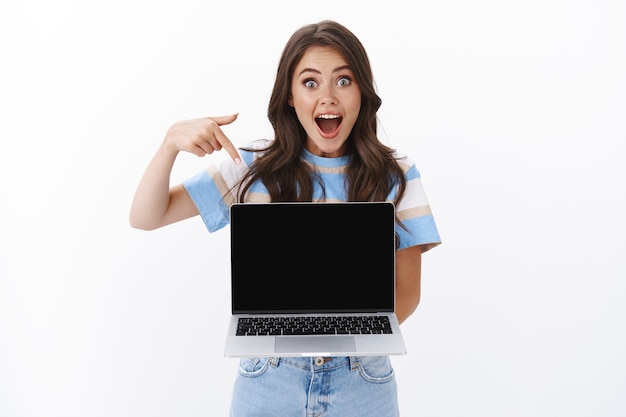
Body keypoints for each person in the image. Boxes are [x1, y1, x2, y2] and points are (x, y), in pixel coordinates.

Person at [130, 19, 441, 417]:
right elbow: (145, 217)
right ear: (290, 96)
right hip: (269, 380)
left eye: (343, 81)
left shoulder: (397, 173)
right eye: (310, 83)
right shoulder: (251, 166)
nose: (327, 97)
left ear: (362, 90)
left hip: (362, 380)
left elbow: (407, 292)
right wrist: (170, 143)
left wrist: (340, 333)